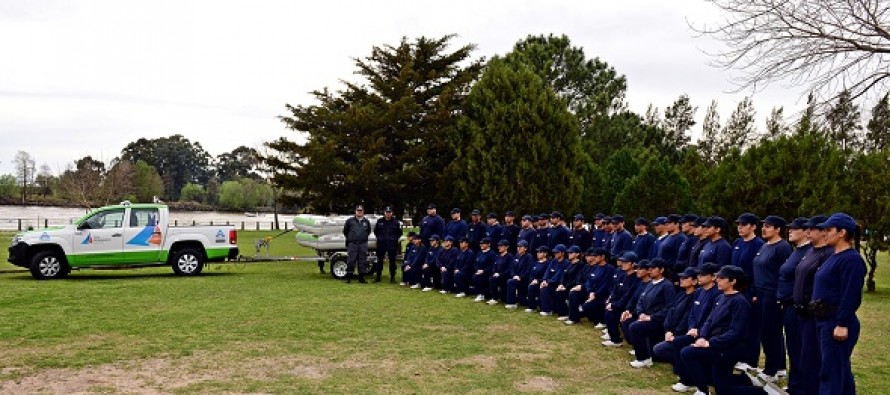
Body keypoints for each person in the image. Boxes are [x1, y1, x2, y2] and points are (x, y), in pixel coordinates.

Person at [812, 213, 865, 395]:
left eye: (828, 229)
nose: (824, 233)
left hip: (836, 322)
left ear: (842, 232)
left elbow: (851, 294)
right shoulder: (833, 256)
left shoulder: (851, 259)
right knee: (838, 370)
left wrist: (842, 323)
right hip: (824, 320)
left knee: (831, 373)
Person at [679, 265, 754, 395]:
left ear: (733, 281)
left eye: (722, 278)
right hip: (715, 344)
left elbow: (736, 332)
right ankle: (742, 380)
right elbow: (709, 321)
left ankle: (760, 392)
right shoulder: (720, 297)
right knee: (719, 383)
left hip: (729, 348)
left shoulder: (740, 302)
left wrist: (711, 343)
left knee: (688, 353)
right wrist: (702, 337)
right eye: (717, 277)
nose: (717, 280)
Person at [653, 262, 722, 392]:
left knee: (680, 345)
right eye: (699, 274)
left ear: (713, 277)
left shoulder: (717, 294)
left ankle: (690, 380)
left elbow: (712, 317)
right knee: (674, 345)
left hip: (707, 335)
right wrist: (692, 327)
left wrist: (700, 332)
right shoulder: (699, 291)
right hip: (693, 331)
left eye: (703, 275)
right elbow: (692, 314)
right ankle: (686, 377)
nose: (699, 277)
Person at [792, 215, 832, 395]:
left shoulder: (828, 254)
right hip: (800, 313)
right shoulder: (810, 251)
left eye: (811, 229)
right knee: (802, 356)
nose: (807, 232)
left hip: (814, 315)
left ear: (824, 231)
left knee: (812, 359)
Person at [752, 215, 793, 382]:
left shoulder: (782, 247)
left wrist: (780, 295)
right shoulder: (764, 246)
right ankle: (778, 365)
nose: (764, 229)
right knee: (765, 331)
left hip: (772, 293)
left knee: (771, 331)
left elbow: (786, 274)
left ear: (778, 229)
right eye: (764, 225)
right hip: (761, 293)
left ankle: (772, 369)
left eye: (768, 226)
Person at [777, 217, 812, 394]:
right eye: (789, 228)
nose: (790, 231)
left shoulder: (810, 251)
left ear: (807, 231)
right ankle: (795, 383)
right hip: (787, 307)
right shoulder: (795, 251)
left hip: (798, 308)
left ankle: (802, 386)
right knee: (793, 347)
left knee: (801, 349)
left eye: (795, 228)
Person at [627, 257, 677, 368]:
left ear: (661, 270)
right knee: (633, 324)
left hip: (659, 321)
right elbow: (641, 300)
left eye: (653, 268)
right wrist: (640, 313)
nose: (650, 270)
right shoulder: (650, 284)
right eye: (649, 268)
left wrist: (652, 317)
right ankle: (642, 351)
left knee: (635, 327)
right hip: (646, 317)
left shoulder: (667, 286)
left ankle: (644, 359)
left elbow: (669, 307)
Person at [733, 212, 765, 372]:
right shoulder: (738, 242)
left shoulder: (758, 244)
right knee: (737, 324)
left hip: (749, 289)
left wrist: (754, 292)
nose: (740, 227)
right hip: (735, 289)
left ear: (753, 227)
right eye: (739, 224)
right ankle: (738, 355)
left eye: (744, 224)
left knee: (751, 326)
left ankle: (750, 359)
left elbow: (757, 271)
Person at [602, 251, 641, 347]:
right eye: (622, 262)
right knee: (608, 310)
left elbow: (628, 296)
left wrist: (615, 305)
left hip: (627, 307)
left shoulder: (636, 279)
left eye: (625, 262)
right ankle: (613, 335)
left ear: (633, 264)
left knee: (611, 312)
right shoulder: (622, 275)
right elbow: (615, 290)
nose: (622, 264)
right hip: (618, 303)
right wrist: (611, 301)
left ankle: (616, 340)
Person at [569, 248, 613, 326]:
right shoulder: (596, 267)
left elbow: (605, 285)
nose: (594, 258)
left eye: (596, 256)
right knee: (573, 293)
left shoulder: (609, 268)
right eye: (593, 256)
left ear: (602, 257)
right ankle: (573, 318)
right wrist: (590, 292)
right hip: (591, 293)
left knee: (587, 306)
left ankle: (601, 321)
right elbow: (589, 281)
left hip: (602, 295)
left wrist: (595, 295)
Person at [551, 245, 586, 321]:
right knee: (558, 292)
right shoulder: (569, 264)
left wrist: (566, 287)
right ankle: (563, 313)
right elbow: (563, 276)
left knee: (570, 294)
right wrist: (561, 284)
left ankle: (573, 316)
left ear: (577, 254)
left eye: (571, 253)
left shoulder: (580, 265)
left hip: (574, 287)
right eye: (568, 253)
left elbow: (577, 279)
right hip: (565, 286)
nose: (569, 254)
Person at [342, 204, 372, 284]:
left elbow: (368, 231)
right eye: (358, 210)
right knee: (351, 261)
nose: (359, 212)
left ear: (363, 212)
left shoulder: (366, 222)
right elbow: (345, 231)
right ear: (355, 211)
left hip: (363, 244)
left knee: (362, 261)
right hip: (353, 244)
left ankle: (361, 278)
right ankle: (348, 278)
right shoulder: (350, 221)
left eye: (361, 211)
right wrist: (351, 238)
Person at [538, 244, 570, 316]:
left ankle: (548, 310)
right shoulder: (553, 261)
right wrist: (544, 280)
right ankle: (546, 309)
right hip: (550, 282)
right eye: (554, 252)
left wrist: (548, 282)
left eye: (557, 252)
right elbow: (547, 271)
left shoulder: (566, 263)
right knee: (543, 287)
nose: (555, 254)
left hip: (559, 284)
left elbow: (558, 275)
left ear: (562, 253)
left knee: (545, 289)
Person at [373, 206, 402, 283]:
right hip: (381, 244)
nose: (388, 214)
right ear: (384, 213)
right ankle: (378, 277)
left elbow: (399, 233)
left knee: (392, 261)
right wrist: (380, 238)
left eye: (389, 212)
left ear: (392, 213)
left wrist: (393, 239)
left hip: (391, 245)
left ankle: (392, 277)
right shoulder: (380, 221)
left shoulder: (396, 222)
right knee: (380, 261)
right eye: (387, 212)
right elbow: (376, 232)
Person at [505, 239, 533, 309]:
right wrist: (514, 275)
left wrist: (521, 277)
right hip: (516, 278)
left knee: (523, 301)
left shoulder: (529, 257)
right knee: (510, 281)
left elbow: (529, 270)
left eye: (521, 247)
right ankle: (511, 301)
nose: (519, 248)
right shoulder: (516, 256)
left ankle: (512, 303)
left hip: (524, 280)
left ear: (525, 248)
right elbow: (512, 267)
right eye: (518, 247)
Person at [658, 214, 687, 279]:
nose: (667, 225)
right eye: (666, 223)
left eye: (669, 223)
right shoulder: (668, 237)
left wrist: (673, 272)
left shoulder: (680, 238)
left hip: (670, 274)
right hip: (662, 272)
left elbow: (680, 257)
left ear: (677, 224)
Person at [525, 245, 552, 313]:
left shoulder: (548, 263)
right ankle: (532, 307)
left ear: (545, 254)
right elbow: (531, 273)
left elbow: (547, 275)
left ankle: (545, 308)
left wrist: (538, 280)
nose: (538, 253)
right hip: (534, 282)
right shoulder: (535, 263)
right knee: (530, 287)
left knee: (541, 289)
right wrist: (532, 280)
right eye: (537, 252)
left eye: (540, 252)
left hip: (543, 282)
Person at [486, 240, 514, 305]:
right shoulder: (498, 256)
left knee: (504, 298)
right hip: (497, 276)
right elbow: (494, 266)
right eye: (499, 246)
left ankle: (498, 297)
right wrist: (495, 272)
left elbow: (509, 269)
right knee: (491, 279)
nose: (499, 247)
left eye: (501, 246)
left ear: (506, 247)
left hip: (505, 277)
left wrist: (500, 274)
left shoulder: (509, 257)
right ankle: (494, 298)